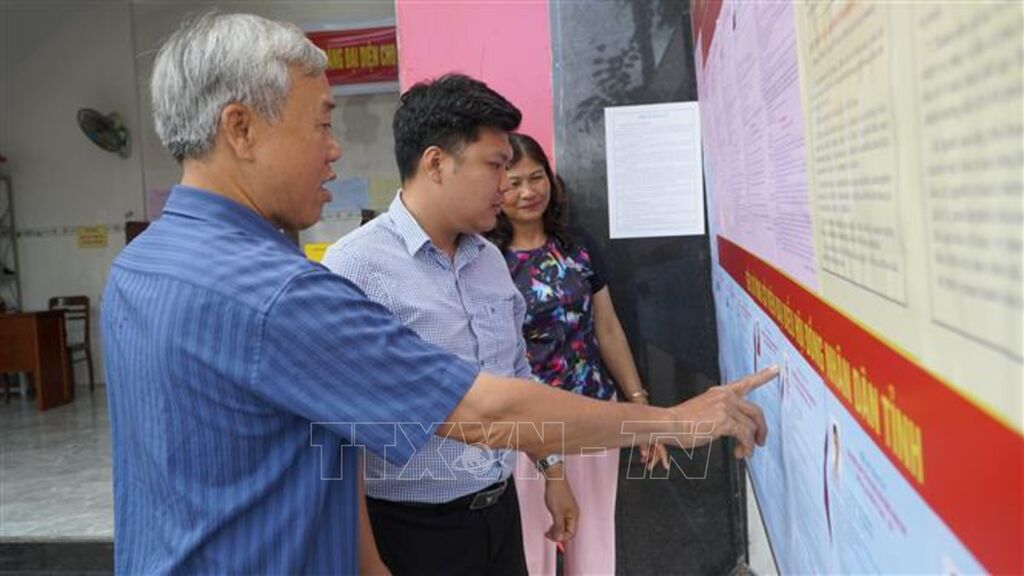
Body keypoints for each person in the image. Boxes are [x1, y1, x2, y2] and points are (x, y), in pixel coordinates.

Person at [103, 12, 777, 574]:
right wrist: (675, 422)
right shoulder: (285, 291)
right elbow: (483, 412)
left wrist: (549, 470)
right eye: (321, 123)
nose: (334, 150)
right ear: (241, 128)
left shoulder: (140, 268)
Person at [322, 74, 577, 576]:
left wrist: (553, 470)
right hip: (411, 532)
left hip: (499, 511)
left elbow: (516, 376)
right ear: (436, 163)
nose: (505, 184)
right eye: (495, 165)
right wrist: (367, 563)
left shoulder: (489, 260)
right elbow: (337, 435)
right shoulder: (354, 267)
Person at [488, 132, 664, 575]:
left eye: (536, 177)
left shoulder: (577, 245)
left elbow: (608, 328)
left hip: (592, 412)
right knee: (532, 550)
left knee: (595, 543)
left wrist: (639, 408)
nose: (528, 192)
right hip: (526, 424)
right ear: (495, 188)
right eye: (513, 183)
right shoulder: (485, 259)